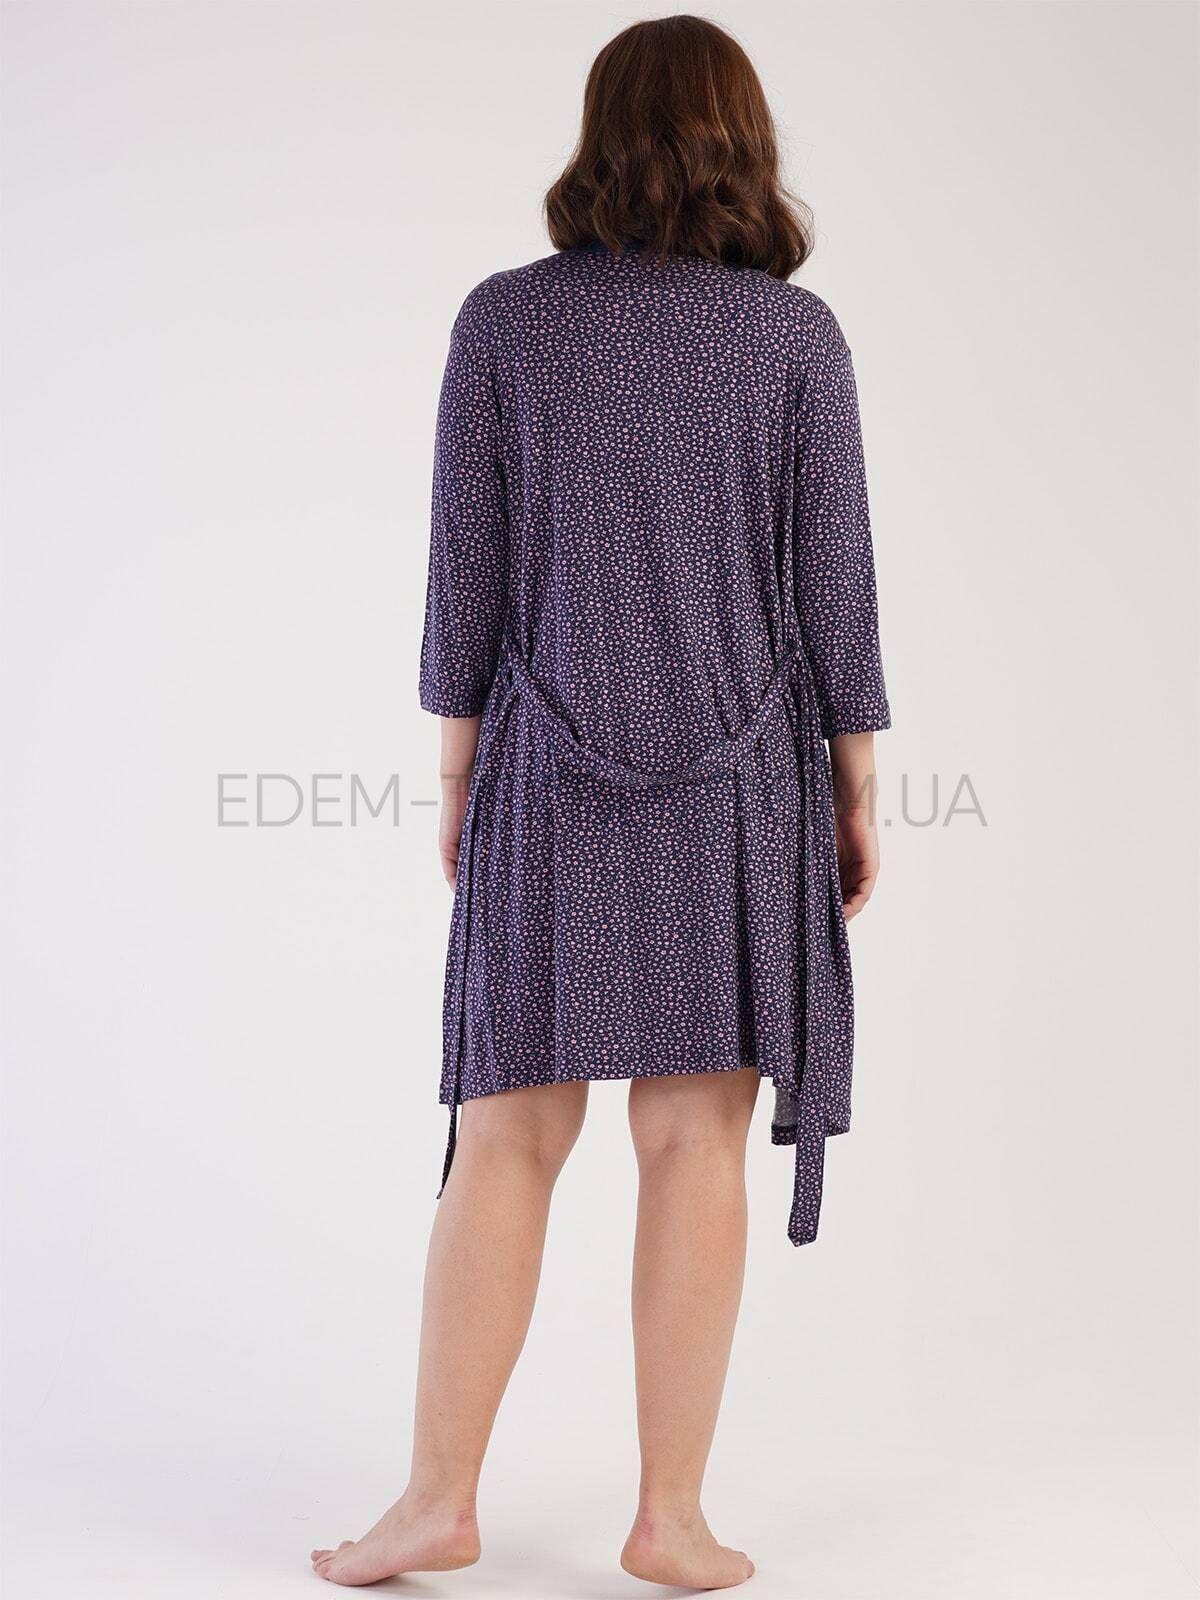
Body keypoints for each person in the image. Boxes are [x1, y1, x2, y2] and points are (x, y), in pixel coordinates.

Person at [311, 13, 890, 1591]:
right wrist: (854, 787)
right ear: (744, 144)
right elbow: (837, 592)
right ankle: (671, 1518)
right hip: (740, 779)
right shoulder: (794, 340)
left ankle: (435, 1502)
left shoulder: (505, 322)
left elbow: (464, 584)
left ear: (599, 136)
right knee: (696, 1136)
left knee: (505, 1135)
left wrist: (459, 781)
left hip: (546, 770)